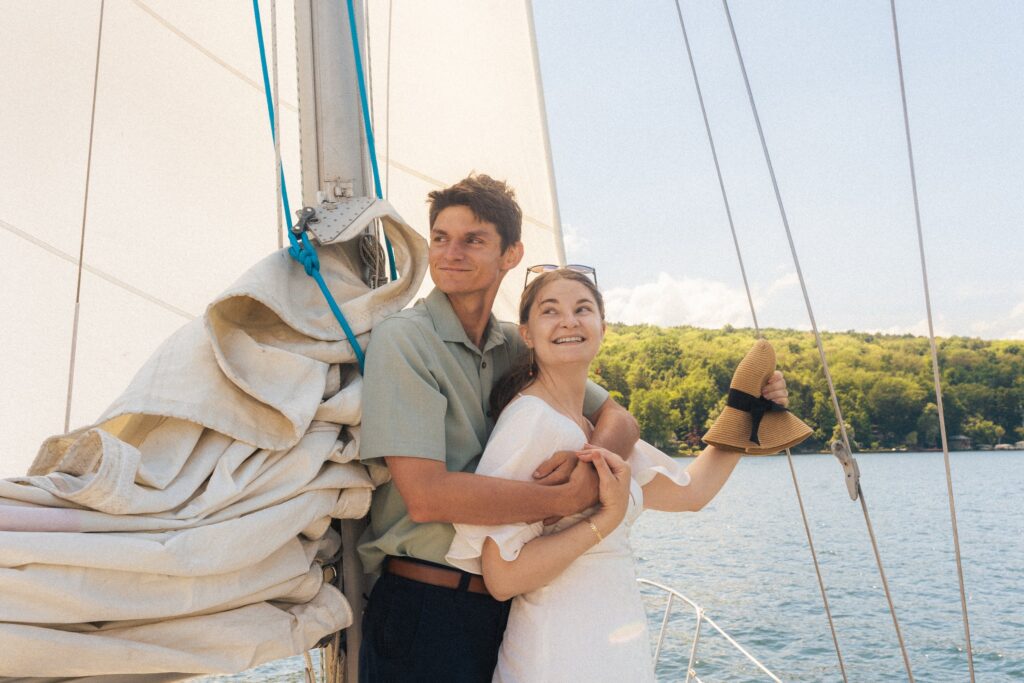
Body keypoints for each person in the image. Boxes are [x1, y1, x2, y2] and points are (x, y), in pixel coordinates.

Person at [445, 268, 800, 682]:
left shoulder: (593, 430)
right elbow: (503, 576)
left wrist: (747, 410)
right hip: (558, 652)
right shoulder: (530, 421)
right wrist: (601, 524)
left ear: (603, 327)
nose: (569, 321)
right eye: (550, 311)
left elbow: (692, 493)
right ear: (527, 333)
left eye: (583, 309)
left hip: (615, 648)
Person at [356, 174, 640, 682]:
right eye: (440, 237)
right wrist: (568, 500)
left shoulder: (519, 342)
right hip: (425, 610)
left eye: (473, 240)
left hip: (505, 607)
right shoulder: (405, 341)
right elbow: (426, 497)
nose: (450, 252)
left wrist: (586, 465)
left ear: (511, 254)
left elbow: (620, 419)